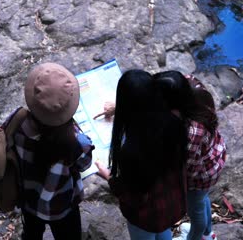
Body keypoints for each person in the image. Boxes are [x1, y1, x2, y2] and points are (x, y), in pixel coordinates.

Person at [96, 69, 188, 240]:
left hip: (147, 216)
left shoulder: (132, 152)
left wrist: (108, 177)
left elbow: (134, 197)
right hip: (172, 203)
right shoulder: (174, 122)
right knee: (163, 232)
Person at [12, 62, 94, 240]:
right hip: (62, 207)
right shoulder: (78, 143)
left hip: (29, 199)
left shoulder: (17, 123)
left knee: (32, 234)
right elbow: (84, 164)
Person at [154, 71, 227, 240]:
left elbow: (188, 167)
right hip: (213, 157)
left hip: (200, 177)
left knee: (195, 209)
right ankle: (208, 232)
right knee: (202, 200)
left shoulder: (192, 132)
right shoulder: (189, 88)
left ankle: (198, 236)